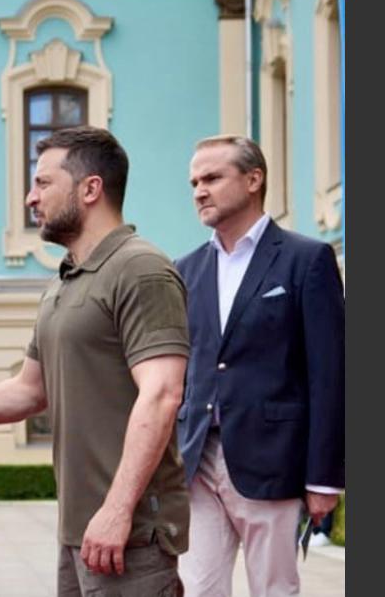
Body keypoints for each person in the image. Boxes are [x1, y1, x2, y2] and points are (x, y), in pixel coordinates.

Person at [0, 126, 191, 596]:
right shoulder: (63, 284)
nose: (29, 198)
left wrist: (118, 509)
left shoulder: (140, 269)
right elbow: (29, 389)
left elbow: (162, 394)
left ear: (90, 188)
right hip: (81, 531)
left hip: (131, 533)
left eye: (42, 183)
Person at [175, 135, 345, 597]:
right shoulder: (184, 270)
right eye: (194, 181)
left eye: (212, 178)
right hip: (197, 458)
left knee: (274, 589)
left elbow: (329, 375)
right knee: (198, 589)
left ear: (254, 180)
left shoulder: (306, 259)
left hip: (273, 460)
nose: (199, 191)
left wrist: (324, 477)